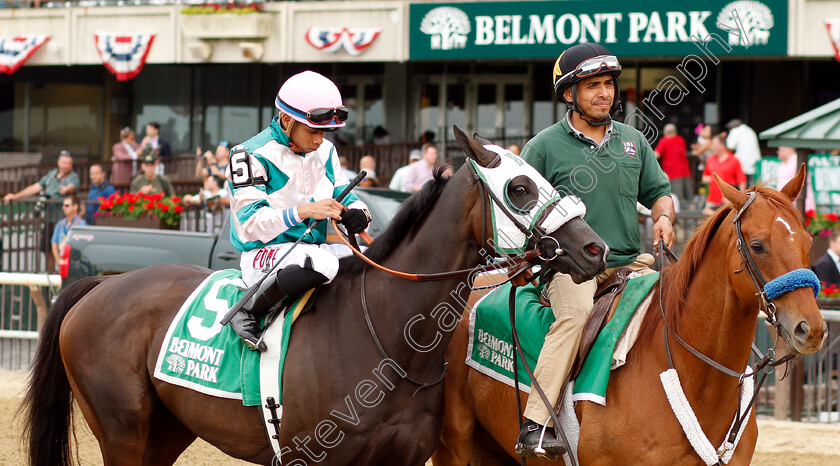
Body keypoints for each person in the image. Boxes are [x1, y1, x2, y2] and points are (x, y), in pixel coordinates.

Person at [518, 43, 674, 458]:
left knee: (675, 304)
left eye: (608, 84)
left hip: (630, 263)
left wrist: (664, 217)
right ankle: (537, 421)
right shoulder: (543, 146)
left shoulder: (633, 140)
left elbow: (659, 192)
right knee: (575, 316)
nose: (604, 93)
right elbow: (521, 214)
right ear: (570, 94)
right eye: (592, 86)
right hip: (571, 271)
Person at [225, 70, 371, 351]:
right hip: (263, 253)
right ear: (286, 120)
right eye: (313, 131)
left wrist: (358, 212)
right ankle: (246, 310)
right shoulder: (248, 155)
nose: (320, 140)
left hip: (309, 250)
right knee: (323, 264)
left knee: (369, 261)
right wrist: (304, 211)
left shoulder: (327, 151)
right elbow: (251, 225)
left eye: (325, 132)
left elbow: (345, 192)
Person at [4, 151, 80, 271]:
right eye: (64, 163)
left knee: (64, 250)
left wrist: (66, 189)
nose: (67, 166)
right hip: (50, 220)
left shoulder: (73, 176)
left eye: (69, 163)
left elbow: (72, 186)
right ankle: (51, 275)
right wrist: (15, 196)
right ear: (59, 163)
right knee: (47, 248)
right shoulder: (51, 174)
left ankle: (63, 277)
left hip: (63, 222)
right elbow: (35, 187)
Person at [702, 134, 746, 216]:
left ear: (722, 145)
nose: (712, 147)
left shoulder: (734, 160)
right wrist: (710, 178)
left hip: (727, 200)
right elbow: (704, 176)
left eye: (714, 145)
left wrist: (740, 199)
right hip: (712, 199)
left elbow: (742, 181)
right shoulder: (710, 159)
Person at [654, 123, 692, 205]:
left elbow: (656, 155)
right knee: (689, 198)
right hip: (686, 172)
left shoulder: (664, 141)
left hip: (673, 174)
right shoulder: (681, 139)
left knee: (677, 199)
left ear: (665, 133)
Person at [51, 195, 86, 269]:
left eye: (67, 205)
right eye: (63, 205)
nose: (63, 208)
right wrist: (58, 260)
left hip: (76, 265)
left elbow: (83, 246)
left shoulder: (81, 224)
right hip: (62, 265)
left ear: (75, 207)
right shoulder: (60, 223)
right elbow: (54, 243)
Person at [776, 146, 815, 211]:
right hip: (787, 203)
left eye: (780, 150)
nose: (777, 152)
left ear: (787, 149)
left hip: (801, 203)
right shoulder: (783, 163)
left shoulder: (798, 160)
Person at [724, 119, 761, 185]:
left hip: (742, 165)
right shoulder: (750, 130)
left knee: (743, 189)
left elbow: (729, 149)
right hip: (755, 164)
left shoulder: (734, 131)